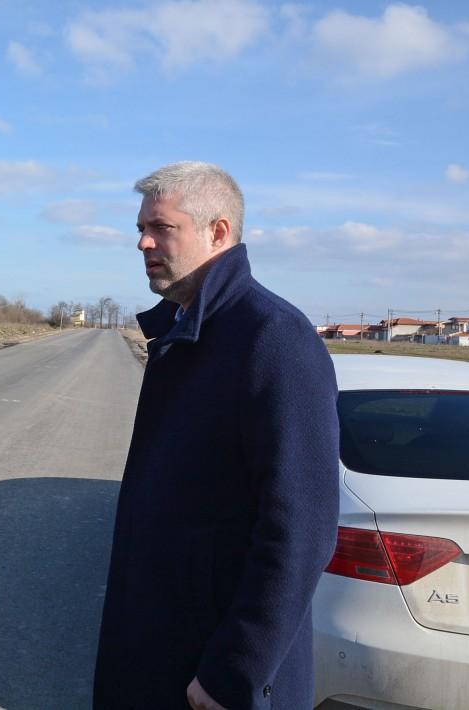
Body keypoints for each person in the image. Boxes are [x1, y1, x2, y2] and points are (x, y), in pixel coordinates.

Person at [93, 162, 339, 709]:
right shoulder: (188, 332)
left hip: (211, 678)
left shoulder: (273, 338)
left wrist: (235, 671)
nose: (142, 242)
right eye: (140, 227)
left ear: (218, 232)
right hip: (162, 651)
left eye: (161, 227)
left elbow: (300, 528)